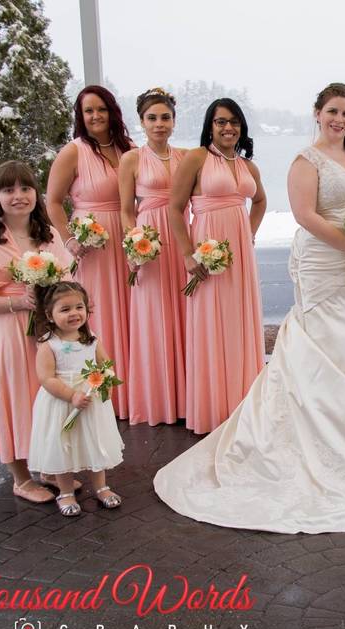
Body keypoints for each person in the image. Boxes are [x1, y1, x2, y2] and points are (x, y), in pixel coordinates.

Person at [153, 83, 345, 534]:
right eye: (332, 111)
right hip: (327, 262)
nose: (339, 119)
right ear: (317, 113)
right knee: (325, 347)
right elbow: (306, 215)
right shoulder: (305, 161)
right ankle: (324, 435)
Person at [0, 160, 73, 504]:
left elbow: (67, 275)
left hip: (44, 332)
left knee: (45, 396)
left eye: (25, 188)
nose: (19, 196)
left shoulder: (48, 234)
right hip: (7, 333)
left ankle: (49, 467)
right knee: (14, 400)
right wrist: (17, 303)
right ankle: (21, 478)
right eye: (9, 190)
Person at [164, 98, 266, 434]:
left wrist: (248, 234)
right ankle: (213, 409)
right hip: (207, 248)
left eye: (234, 122)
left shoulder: (247, 166)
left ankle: (243, 404)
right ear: (210, 125)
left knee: (240, 322)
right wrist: (187, 255)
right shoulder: (197, 159)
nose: (228, 128)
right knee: (210, 323)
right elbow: (174, 209)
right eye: (221, 121)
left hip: (240, 255)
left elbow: (260, 200)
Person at [47, 85, 135, 419]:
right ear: (80, 117)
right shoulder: (74, 151)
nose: (96, 116)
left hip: (126, 239)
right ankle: (103, 391)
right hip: (92, 245)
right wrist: (70, 240)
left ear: (113, 111)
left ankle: (135, 391)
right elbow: (52, 201)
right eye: (88, 111)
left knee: (132, 314)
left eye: (101, 109)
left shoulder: (129, 149)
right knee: (102, 314)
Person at [118, 88, 189, 426]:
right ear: (142, 122)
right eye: (152, 118)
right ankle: (157, 400)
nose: (159, 124)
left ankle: (188, 397)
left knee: (184, 313)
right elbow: (125, 209)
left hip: (181, 237)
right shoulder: (131, 159)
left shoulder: (186, 157)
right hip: (150, 241)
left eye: (165, 117)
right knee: (154, 316)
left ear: (174, 121)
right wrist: (134, 244)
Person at [27, 282, 124, 516]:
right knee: (63, 445)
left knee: (95, 442)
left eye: (79, 307)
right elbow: (46, 378)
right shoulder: (49, 344)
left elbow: (105, 363)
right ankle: (66, 491)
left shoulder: (90, 337)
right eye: (65, 309)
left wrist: (107, 381)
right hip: (61, 401)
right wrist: (71, 396)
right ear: (50, 315)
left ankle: (101, 486)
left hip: (91, 400)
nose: (74, 313)